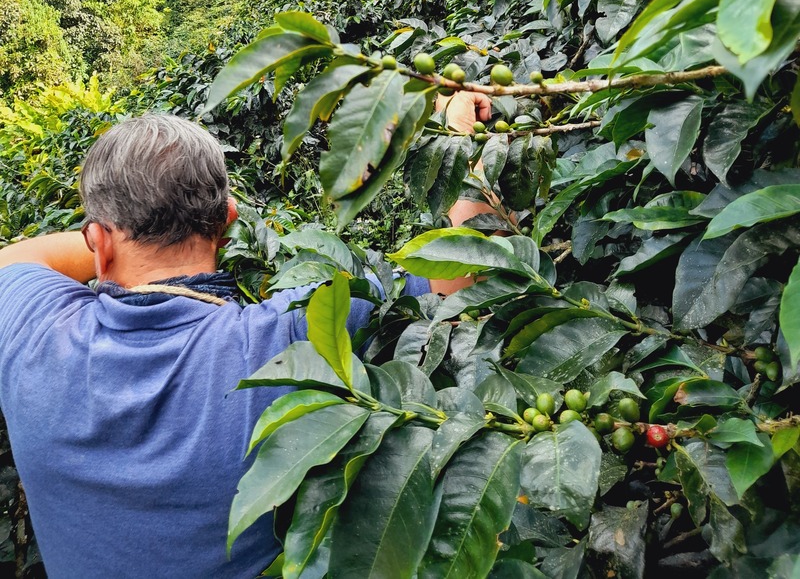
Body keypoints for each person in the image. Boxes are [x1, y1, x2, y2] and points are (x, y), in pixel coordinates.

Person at [0, 98, 492, 579]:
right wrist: (462, 142)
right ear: (228, 222)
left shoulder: (31, 331)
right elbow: (463, 280)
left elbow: (16, 257)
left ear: (97, 241)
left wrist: (117, 240)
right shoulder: (297, 330)